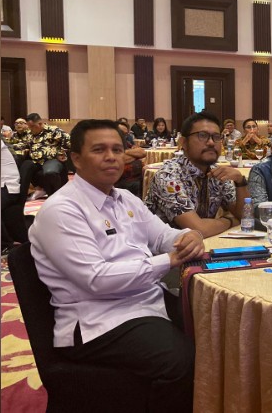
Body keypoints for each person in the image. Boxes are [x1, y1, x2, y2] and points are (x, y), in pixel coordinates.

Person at [29, 119, 203, 411]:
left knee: (214, 328)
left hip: (144, 300)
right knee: (182, 359)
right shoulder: (62, 210)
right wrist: (169, 260)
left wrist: (189, 236)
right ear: (76, 159)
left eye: (117, 149)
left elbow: (163, 236)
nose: (111, 157)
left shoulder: (124, 198)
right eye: (99, 150)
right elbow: (96, 280)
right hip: (99, 319)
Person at [146, 112, 249, 237]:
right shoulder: (168, 175)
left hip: (204, 244)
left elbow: (246, 217)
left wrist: (240, 181)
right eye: (202, 135)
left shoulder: (217, 173)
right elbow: (198, 229)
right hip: (164, 247)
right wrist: (230, 220)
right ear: (183, 142)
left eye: (216, 137)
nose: (211, 142)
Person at [12, 113, 71, 200]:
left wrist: (61, 152)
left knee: (50, 172)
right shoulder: (30, 133)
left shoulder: (53, 130)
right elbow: (24, 144)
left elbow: (68, 140)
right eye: (29, 127)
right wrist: (8, 147)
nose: (30, 129)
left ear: (39, 124)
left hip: (50, 159)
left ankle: (56, 197)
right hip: (35, 161)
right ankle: (21, 198)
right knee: (24, 167)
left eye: (32, 127)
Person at [115, 121, 146, 196]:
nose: (124, 135)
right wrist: (135, 155)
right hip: (123, 182)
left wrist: (125, 151)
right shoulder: (113, 145)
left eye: (126, 134)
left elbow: (142, 152)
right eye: (121, 133)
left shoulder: (126, 142)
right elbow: (121, 159)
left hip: (137, 178)